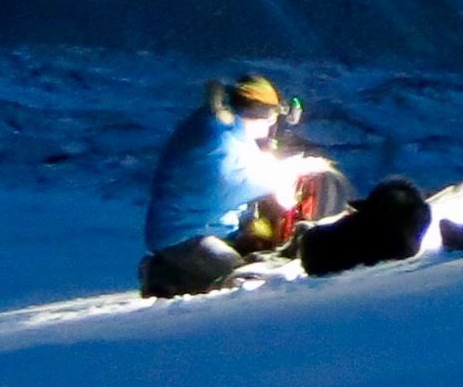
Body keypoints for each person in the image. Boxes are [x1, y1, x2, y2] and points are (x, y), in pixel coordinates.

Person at [138, 74, 346, 297]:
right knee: (245, 281)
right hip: (185, 235)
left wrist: (293, 167)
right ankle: (164, 274)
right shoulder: (217, 141)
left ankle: (170, 273)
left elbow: (249, 169)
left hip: (207, 227)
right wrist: (297, 169)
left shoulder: (225, 131)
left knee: (259, 251)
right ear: (259, 114)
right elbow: (235, 182)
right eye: (270, 117)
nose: (271, 125)